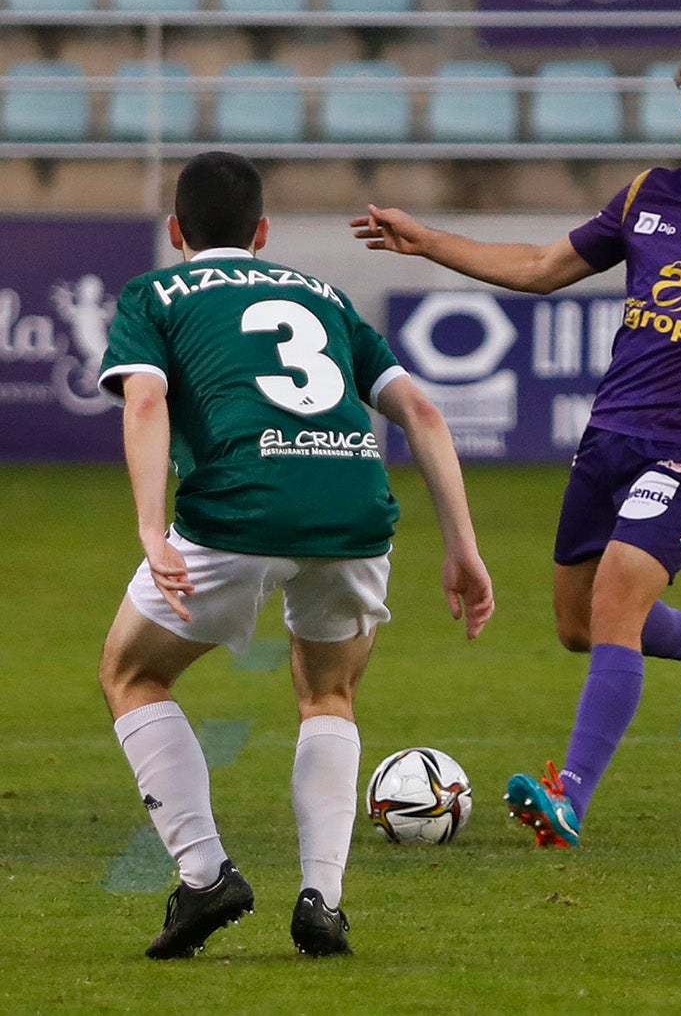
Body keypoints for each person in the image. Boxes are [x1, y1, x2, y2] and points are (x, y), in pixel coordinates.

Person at [352, 47, 681, 848]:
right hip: (608, 437)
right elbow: (542, 267)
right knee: (578, 625)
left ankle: (569, 795)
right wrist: (428, 241)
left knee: (614, 599)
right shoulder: (648, 195)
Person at [97, 152, 494, 959]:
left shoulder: (156, 292)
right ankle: (323, 899)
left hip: (238, 507)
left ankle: (206, 875)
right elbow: (419, 408)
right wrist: (464, 547)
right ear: (263, 233)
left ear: (176, 232)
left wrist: (148, 529)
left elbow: (144, 398)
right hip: (354, 508)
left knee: (131, 673)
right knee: (329, 693)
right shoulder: (323, 294)